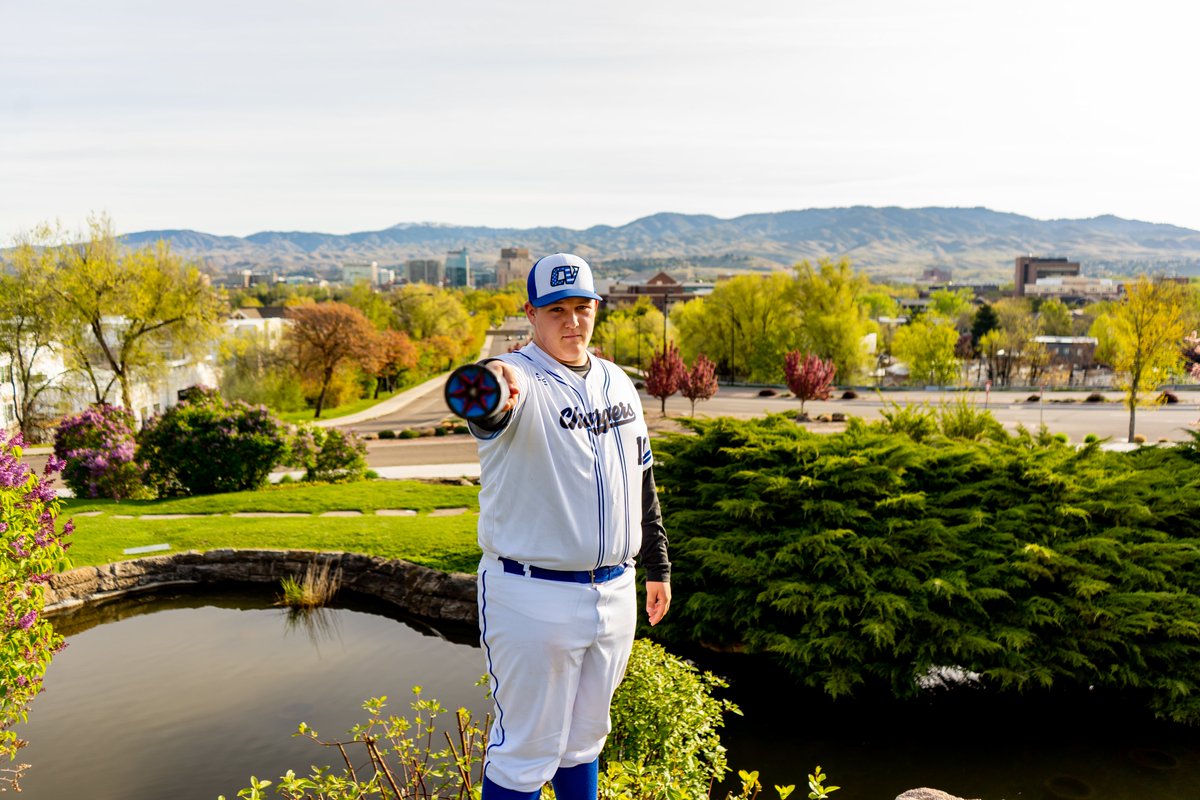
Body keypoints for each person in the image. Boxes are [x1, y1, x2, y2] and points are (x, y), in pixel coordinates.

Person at [467, 252, 671, 800]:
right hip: (532, 594)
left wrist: (658, 567)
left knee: (585, 740)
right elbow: (491, 400)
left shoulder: (618, 383)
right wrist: (493, 381)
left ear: (596, 310)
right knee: (525, 752)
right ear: (531, 314)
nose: (573, 321)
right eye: (557, 310)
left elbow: (642, 483)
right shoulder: (521, 380)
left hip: (614, 589)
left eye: (582, 307)